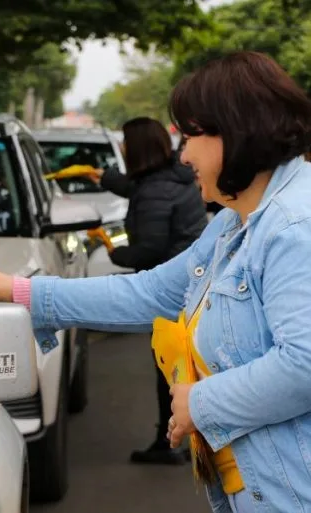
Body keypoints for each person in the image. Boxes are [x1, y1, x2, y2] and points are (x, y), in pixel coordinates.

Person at [0, 51, 311, 513]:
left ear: (235, 135)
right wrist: (21, 292)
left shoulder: (304, 225)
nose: (182, 156)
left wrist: (199, 402)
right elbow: (156, 292)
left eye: (189, 138)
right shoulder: (239, 218)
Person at [92, 116, 208, 464]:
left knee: (170, 369)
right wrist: (100, 177)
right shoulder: (169, 178)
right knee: (181, 365)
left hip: (171, 287)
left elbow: (151, 248)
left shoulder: (156, 188)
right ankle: (183, 440)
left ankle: (172, 443)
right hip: (190, 282)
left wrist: (113, 251)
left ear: (137, 148)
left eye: (126, 143)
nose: (122, 149)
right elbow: (135, 189)